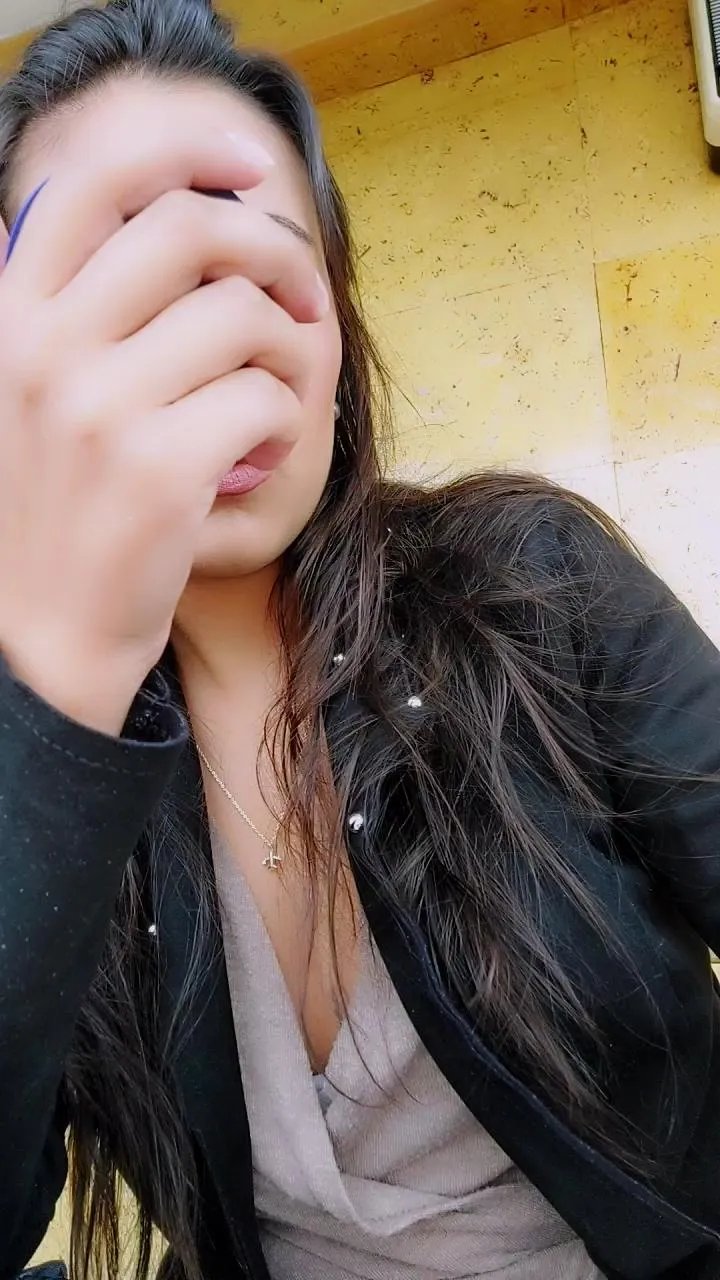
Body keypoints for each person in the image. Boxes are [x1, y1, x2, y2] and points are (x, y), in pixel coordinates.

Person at [0, 1, 718, 1278]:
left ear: (333, 321)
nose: (207, 348)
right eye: (120, 290)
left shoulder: (534, 581)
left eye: (253, 270)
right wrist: (58, 698)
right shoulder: (31, 757)